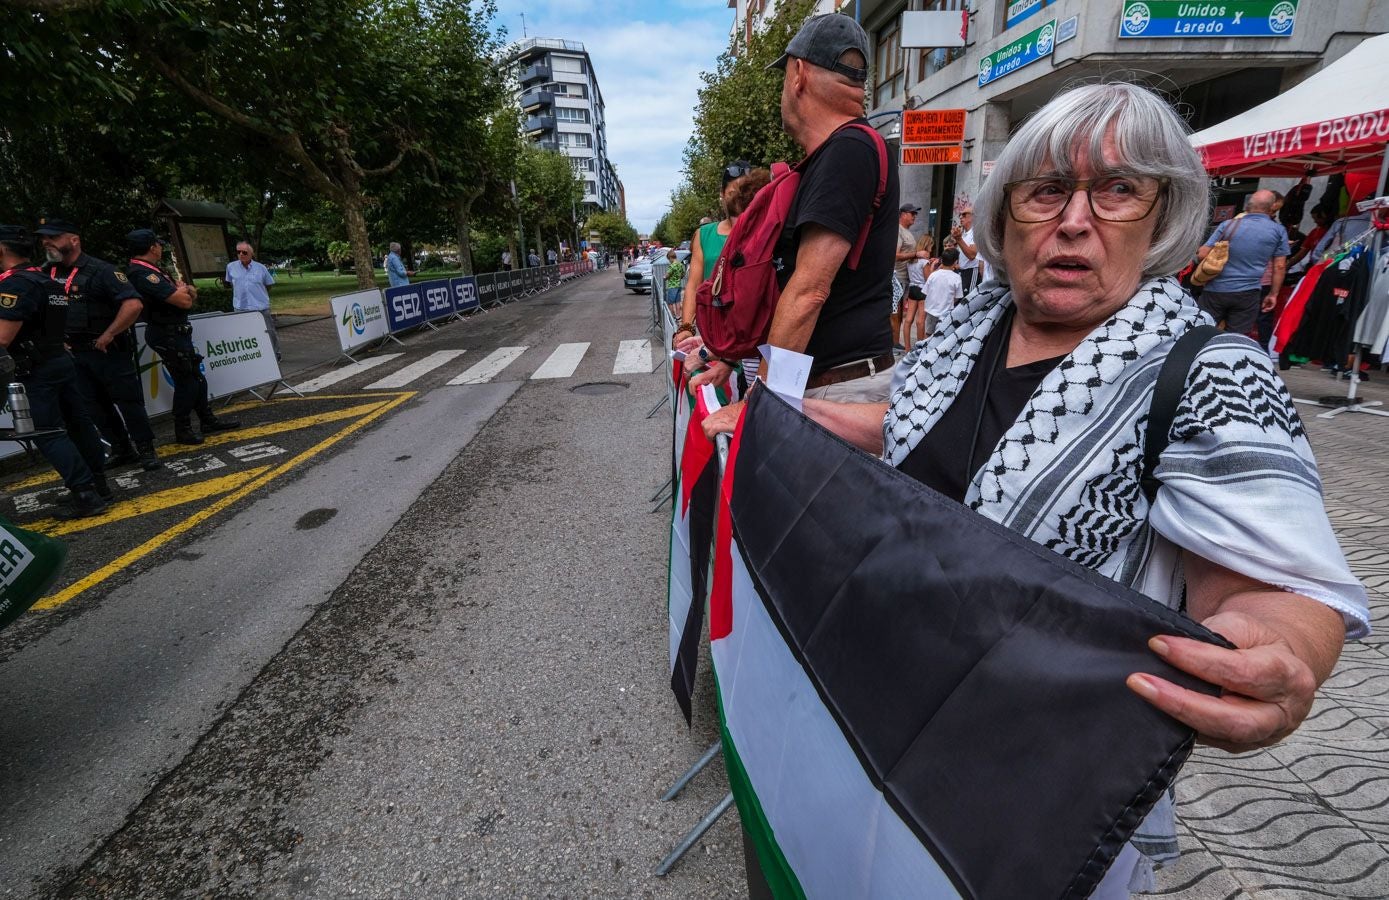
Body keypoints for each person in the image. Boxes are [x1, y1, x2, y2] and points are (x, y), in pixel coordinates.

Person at [716, 81, 1367, 898]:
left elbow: (1278, 590)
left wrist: (1278, 649)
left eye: (1118, 190)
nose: (1073, 219)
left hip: (1028, 783)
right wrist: (778, 416)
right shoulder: (975, 324)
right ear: (1005, 214)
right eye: (1046, 190)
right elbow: (906, 429)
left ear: (1161, 217)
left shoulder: (1208, 371)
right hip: (887, 705)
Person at [697, 14, 898, 408]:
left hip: (836, 388)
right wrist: (730, 356)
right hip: (833, 384)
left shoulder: (847, 150)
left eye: (783, 77)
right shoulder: (844, 151)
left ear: (798, 74)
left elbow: (809, 291)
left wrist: (763, 403)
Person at [37, 216, 163, 472]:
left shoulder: (102, 270)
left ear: (73, 240)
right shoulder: (45, 273)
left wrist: (108, 334)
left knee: (128, 401)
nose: (46, 242)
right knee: (93, 405)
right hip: (73, 353)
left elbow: (133, 304)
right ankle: (121, 448)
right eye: (44, 238)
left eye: (53, 237)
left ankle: (146, 448)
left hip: (106, 349)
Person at [0, 225, 110, 517]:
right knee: (78, 423)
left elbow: (2, 338)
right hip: (58, 361)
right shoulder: (43, 279)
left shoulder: (15, 284)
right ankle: (99, 484)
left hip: (35, 370)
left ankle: (85, 494)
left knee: (46, 431)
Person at [125, 229, 240, 445]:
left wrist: (184, 291)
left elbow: (189, 293)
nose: (160, 247)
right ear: (152, 247)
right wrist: (184, 292)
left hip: (177, 331)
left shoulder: (156, 271)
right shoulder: (141, 273)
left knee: (196, 377)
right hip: (165, 333)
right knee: (187, 381)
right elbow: (185, 301)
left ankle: (207, 419)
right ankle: (183, 428)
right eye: (158, 244)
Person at [1195, 190, 1288, 337]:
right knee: (1236, 338)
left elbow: (1202, 254)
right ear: (1271, 208)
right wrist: (1273, 294)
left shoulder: (1228, 225)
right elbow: (1280, 266)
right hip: (1248, 293)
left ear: (1248, 206)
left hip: (1216, 290)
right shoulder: (1278, 230)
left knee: (1200, 333)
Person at [223, 241, 280, 361]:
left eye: (244, 252)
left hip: (260, 306)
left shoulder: (261, 268)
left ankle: (276, 353)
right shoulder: (231, 267)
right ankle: (252, 355)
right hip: (240, 306)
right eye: (238, 252)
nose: (241, 254)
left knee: (269, 331)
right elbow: (232, 283)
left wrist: (260, 295)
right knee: (244, 333)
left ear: (251, 253)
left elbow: (268, 285)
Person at [892, 203, 922, 350]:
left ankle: (895, 342)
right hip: (897, 277)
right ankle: (894, 343)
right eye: (912, 213)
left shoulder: (907, 232)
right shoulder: (898, 230)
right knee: (895, 312)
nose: (914, 216)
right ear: (903, 214)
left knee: (899, 312)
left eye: (915, 214)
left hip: (905, 278)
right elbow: (895, 256)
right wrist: (916, 254)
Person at [901, 232, 935, 347]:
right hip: (922, 290)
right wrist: (933, 266)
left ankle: (907, 348)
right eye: (931, 245)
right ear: (927, 245)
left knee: (908, 320)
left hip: (912, 290)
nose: (932, 248)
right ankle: (919, 348)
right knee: (920, 321)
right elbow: (928, 278)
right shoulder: (925, 262)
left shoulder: (911, 261)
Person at [921, 245, 962, 335]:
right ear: (956, 262)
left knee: (928, 335)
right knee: (941, 337)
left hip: (931, 311)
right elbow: (957, 297)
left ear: (942, 261)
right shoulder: (957, 278)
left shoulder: (933, 275)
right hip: (946, 314)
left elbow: (925, 292)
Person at [950, 206, 980, 293]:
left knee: (967, 300)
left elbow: (972, 255)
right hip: (962, 271)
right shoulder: (963, 233)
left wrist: (959, 239)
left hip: (971, 271)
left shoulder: (975, 232)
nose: (960, 217)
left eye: (964, 214)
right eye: (960, 215)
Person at [663, 249, 685, 315]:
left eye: (669, 259)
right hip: (678, 286)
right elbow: (683, 274)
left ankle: (672, 317)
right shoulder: (680, 264)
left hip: (672, 286)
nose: (669, 261)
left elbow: (667, 275)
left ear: (670, 257)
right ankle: (678, 316)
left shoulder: (672, 266)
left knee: (670, 303)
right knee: (677, 302)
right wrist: (678, 278)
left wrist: (664, 277)